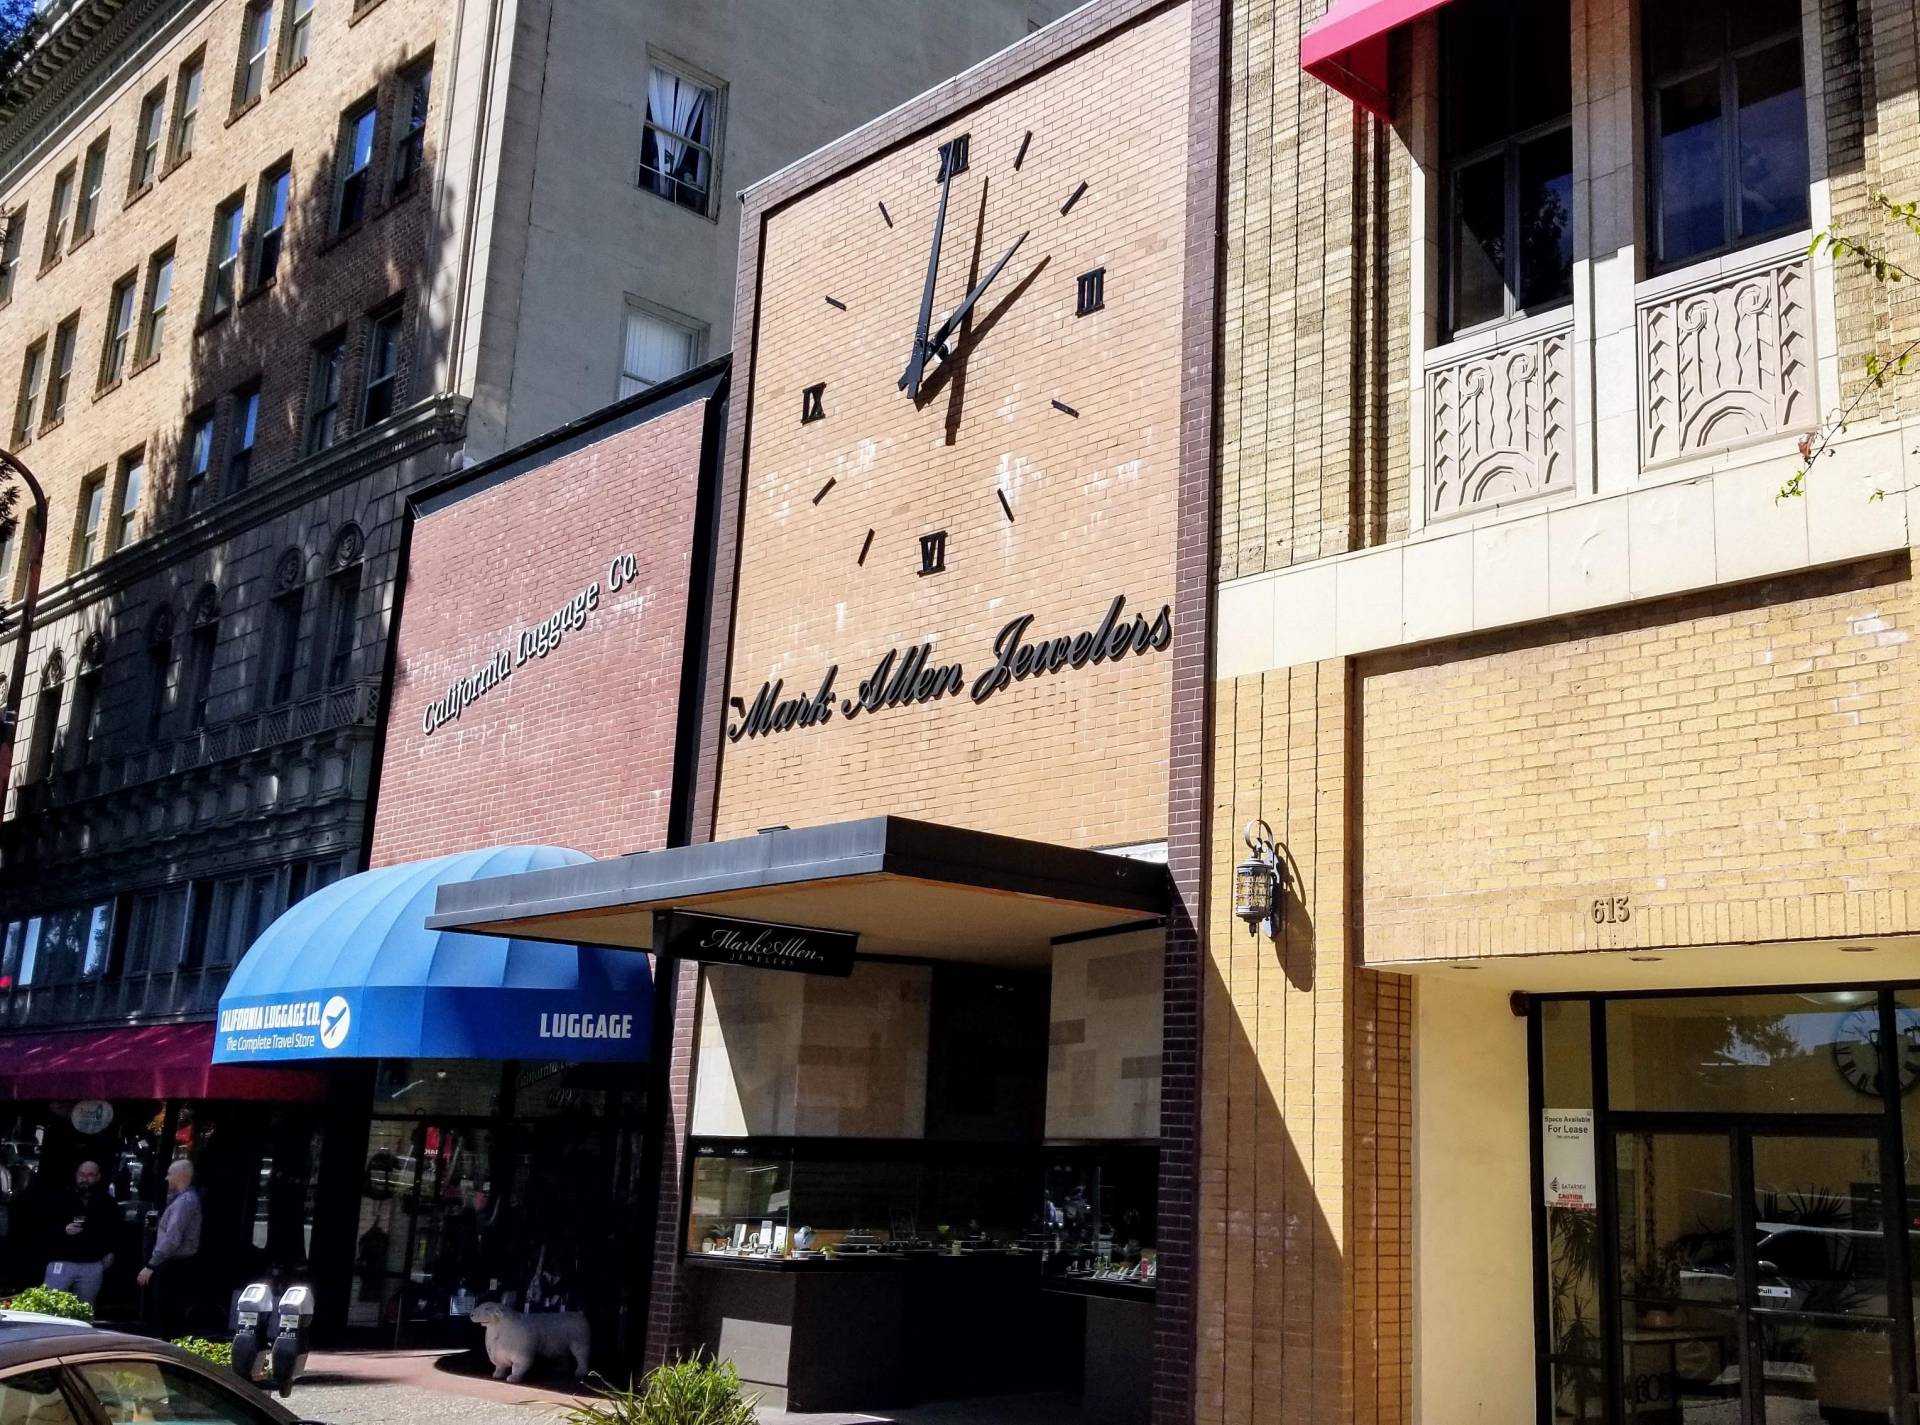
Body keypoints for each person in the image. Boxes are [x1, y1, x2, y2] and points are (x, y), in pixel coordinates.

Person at [138, 1160, 200, 1336]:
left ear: (181, 1176)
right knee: (167, 1311)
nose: (166, 1178)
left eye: (169, 1174)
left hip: (175, 1263)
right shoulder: (180, 1200)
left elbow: (172, 1238)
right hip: (174, 1262)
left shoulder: (185, 1202)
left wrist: (151, 1264)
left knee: (168, 1313)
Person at [43, 1160, 117, 1306]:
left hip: (92, 1263)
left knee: (85, 1308)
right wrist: (63, 1230)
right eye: (81, 1174)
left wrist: (112, 1252)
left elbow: (116, 1230)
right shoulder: (60, 1198)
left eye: (90, 1175)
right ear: (76, 1175)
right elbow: (43, 1226)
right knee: (50, 1305)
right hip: (62, 1260)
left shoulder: (107, 1202)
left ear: (98, 1177)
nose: (85, 1179)